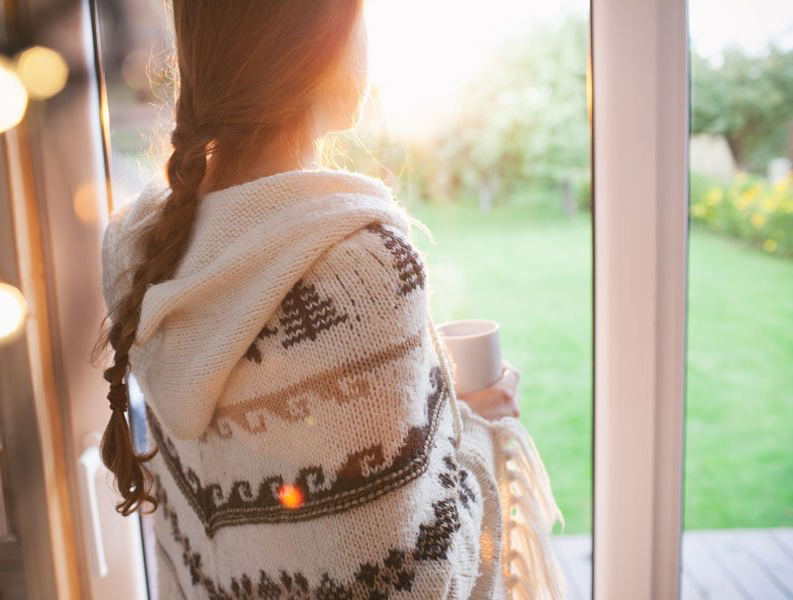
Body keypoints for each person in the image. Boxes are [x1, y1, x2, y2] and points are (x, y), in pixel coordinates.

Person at [94, 1, 565, 598]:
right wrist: (477, 428)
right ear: (316, 43)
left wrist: (404, 391)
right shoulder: (361, 275)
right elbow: (421, 582)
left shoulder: (138, 246)